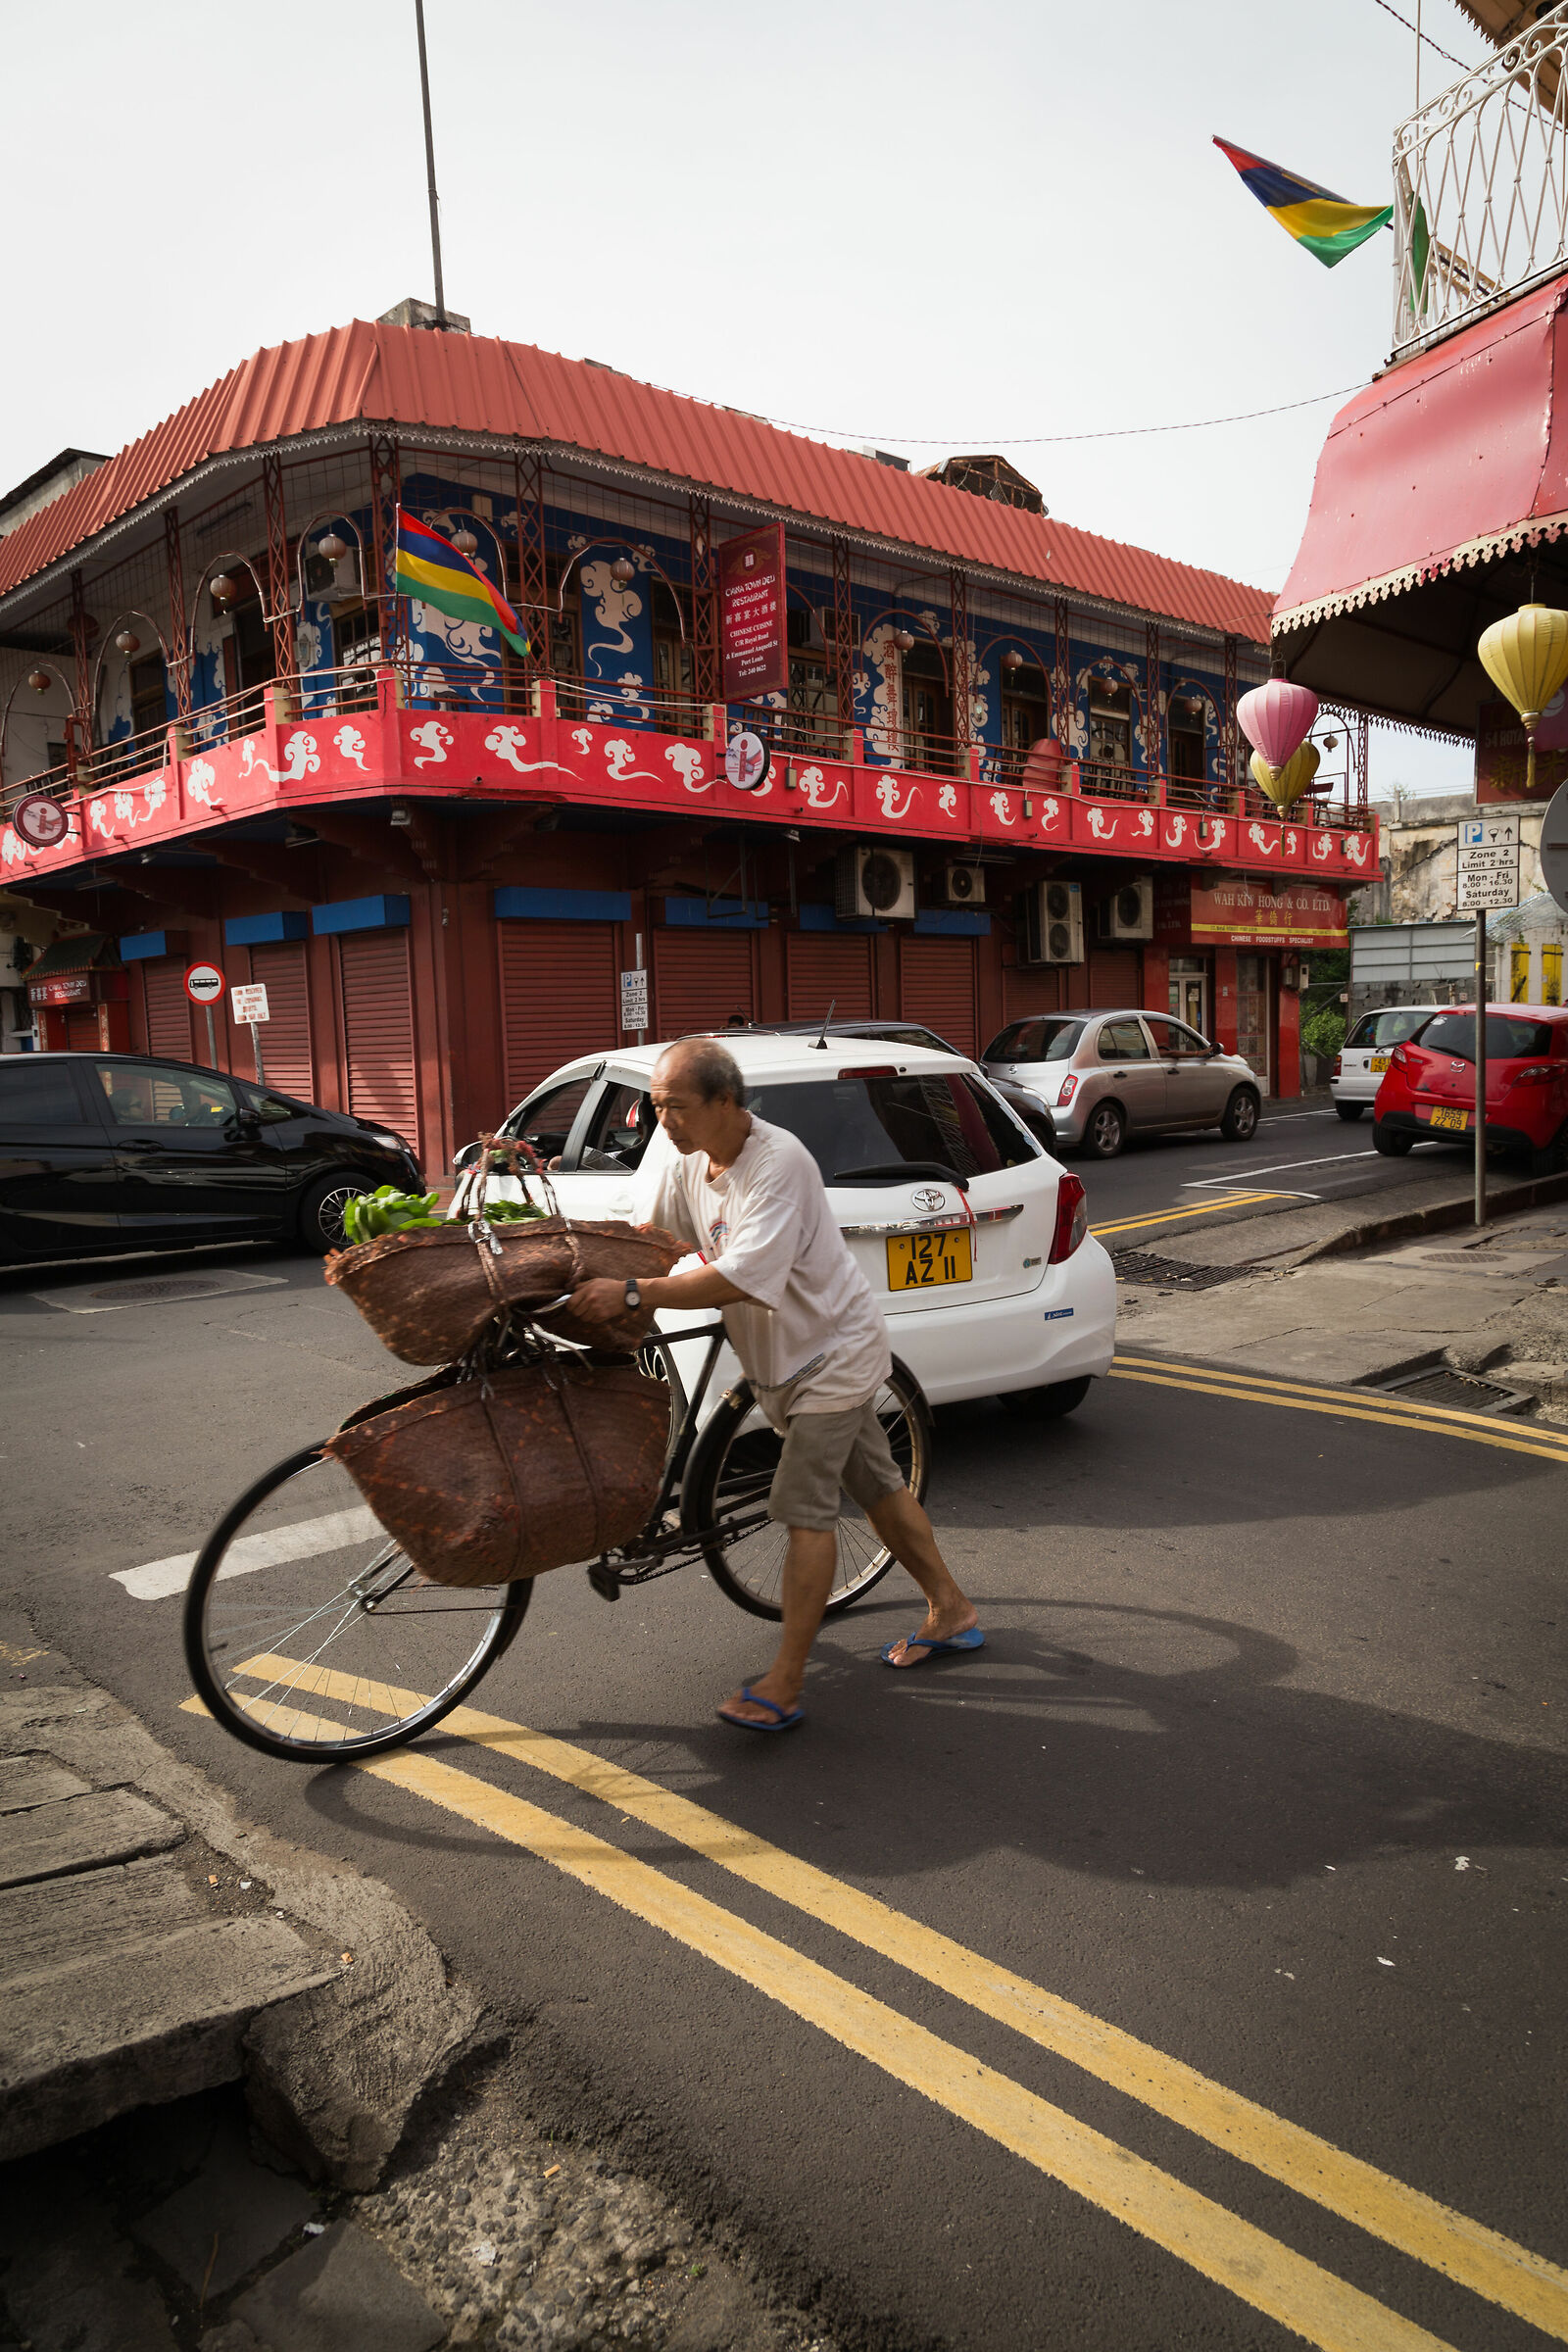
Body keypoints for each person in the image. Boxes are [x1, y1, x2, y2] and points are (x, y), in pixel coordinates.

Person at [565, 1039, 981, 1732]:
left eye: (677, 1106)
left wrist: (635, 1296)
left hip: (830, 1357)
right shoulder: (689, 1159)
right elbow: (654, 1238)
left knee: (802, 1507)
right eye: (657, 1106)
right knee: (878, 1485)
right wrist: (580, 1261)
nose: (663, 1121)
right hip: (779, 1360)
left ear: (726, 1102)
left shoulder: (779, 1161)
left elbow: (741, 1276)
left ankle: (784, 1685)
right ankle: (953, 1608)